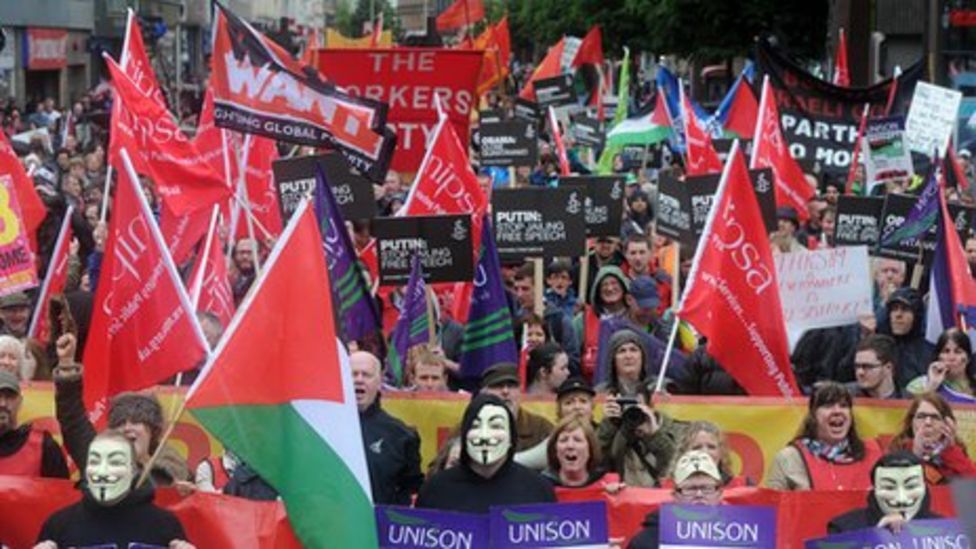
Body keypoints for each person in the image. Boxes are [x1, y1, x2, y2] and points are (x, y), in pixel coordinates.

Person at [35, 430, 195, 548]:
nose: (103, 471)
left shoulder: (164, 524)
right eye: (95, 462)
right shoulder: (59, 524)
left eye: (115, 462)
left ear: (133, 471)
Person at [415, 393, 556, 513]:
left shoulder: (538, 489)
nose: (485, 436)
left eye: (496, 426)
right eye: (475, 426)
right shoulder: (435, 490)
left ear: (511, 438)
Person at [765, 382, 882, 490]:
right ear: (813, 416)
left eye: (844, 406)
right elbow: (770, 507)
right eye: (828, 406)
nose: (837, 411)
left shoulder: (873, 453)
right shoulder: (789, 458)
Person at [351, 350, 424, 505]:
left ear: (379, 382)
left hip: (378, 523)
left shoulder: (401, 435)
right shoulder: (322, 430)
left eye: (366, 375)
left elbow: (411, 490)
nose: (359, 379)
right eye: (353, 374)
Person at [627, 450, 726, 549]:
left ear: (719, 494)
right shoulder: (648, 541)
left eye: (706, 488)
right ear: (675, 496)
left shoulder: (737, 534)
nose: (699, 494)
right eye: (690, 488)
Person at [827, 451, 942, 534]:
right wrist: (876, 538)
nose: (901, 499)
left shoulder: (948, 532)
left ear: (924, 487)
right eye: (889, 488)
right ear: (874, 489)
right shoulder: (843, 529)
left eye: (911, 486)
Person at [598, 383, 682, 487]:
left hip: (659, 496)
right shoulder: (614, 431)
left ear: (651, 406)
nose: (632, 411)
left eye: (637, 405)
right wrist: (608, 425)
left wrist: (655, 435)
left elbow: (676, 467)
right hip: (626, 497)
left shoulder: (672, 430)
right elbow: (596, 464)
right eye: (626, 406)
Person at [888, 393, 976, 484]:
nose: (928, 422)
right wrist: (915, 454)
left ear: (947, 424)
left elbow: (972, 487)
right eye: (921, 416)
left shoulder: (956, 452)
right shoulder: (897, 448)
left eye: (935, 417)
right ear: (911, 422)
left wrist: (950, 451)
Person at [0, 370, 69, 478]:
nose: (2, 403)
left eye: (9, 396)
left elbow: (62, 493)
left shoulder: (44, 445)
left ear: (20, 401)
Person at [575, 265, 633, 382]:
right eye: (604, 285)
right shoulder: (582, 319)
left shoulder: (634, 316)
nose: (610, 288)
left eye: (614, 283)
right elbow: (574, 356)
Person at [480, 363, 553, 451]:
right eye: (497, 386)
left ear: (520, 390)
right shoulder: (472, 426)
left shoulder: (541, 427)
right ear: (484, 393)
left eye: (511, 386)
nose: (505, 391)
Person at [663, 421, 751, 488]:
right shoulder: (665, 488)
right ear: (684, 453)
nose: (705, 453)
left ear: (721, 453)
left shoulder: (742, 486)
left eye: (711, 447)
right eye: (697, 447)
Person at [876, 288, 933, 388]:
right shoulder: (876, 346)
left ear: (916, 316)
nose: (898, 315)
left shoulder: (929, 352)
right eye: (894, 309)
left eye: (905, 309)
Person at [542, 417, 617, 489]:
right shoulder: (540, 487)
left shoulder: (609, 484)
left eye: (577, 440)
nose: (570, 445)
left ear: (590, 449)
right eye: (564, 440)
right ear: (555, 450)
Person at [906, 328, 976, 402]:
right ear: (938, 357)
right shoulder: (919, 385)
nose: (951, 357)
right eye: (946, 351)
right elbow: (911, 411)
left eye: (958, 352)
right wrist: (932, 386)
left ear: (968, 358)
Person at [845, 334, 906, 399]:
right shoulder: (844, 396)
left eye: (867, 366)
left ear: (888, 367)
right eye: (857, 366)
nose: (860, 372)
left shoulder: (910, 402)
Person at [597, 329, 649, 396]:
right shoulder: (601, 393)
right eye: (622, 351)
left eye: (633, 350)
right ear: (613, 359)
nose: (628, 356)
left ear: (642, 356)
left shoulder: (657, 389)